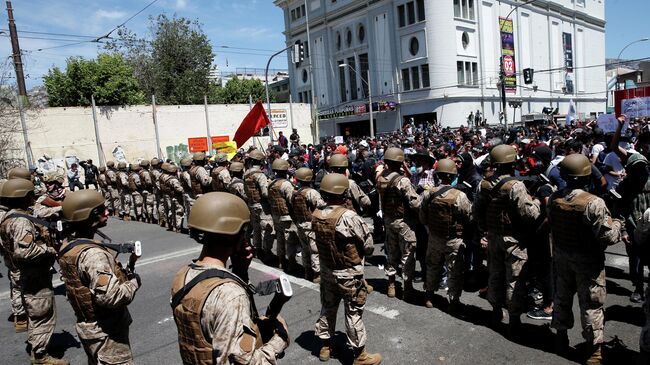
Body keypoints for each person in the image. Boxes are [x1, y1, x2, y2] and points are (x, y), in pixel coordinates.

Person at [170, 192, 289, 364]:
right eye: (243, 231)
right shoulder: (230, 295)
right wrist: (278, 342)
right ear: (234, 234)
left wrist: (240, 270)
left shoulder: (182, 276)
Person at [548, 154, 622, 364]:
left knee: (562, 298)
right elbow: (608, 236)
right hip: (587, 262)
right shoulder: (594, 203)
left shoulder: (555, 198)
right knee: (591, 304)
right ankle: (593, 351)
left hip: (562, 256)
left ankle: (560, 339)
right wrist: (617, 221)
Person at [58, 190, 141, 365]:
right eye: (102, 209)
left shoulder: (68, 246)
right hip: (106, 332)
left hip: (90, 328)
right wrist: (134, 283)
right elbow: (110, 297)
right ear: (91, 216)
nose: (107, 212)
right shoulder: (93, 254)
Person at [313, 173, 381, 365]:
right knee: (353, 313)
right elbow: (368, 245)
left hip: (327, 272)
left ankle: (325, 347)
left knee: (327, 308)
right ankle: (360, 356)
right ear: (344, 193)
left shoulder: (317, 214)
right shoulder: (349, 216)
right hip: (348, 274)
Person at [0, 178, 68, 364]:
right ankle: (40, 356)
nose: (33, 197)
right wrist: (49, 250)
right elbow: (25, 251)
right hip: (33, 275)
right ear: (23, 196)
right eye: (31, 194)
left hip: (28, 273)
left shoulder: (12, 216)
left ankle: (40, 344)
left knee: (36, 313)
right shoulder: (21, 221)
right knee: (41, 314)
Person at [475, 144, 540, 335]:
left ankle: (496, 312)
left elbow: (477, 211)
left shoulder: (484, 184)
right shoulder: (516, 185)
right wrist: (535, 201)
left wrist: (484, 231)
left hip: (494, 236)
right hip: (514, 239)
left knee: (495, 274)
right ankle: (514, 319)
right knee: (515, 279)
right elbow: (529, 214)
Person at [419, 159, 472, 312]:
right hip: (453, 239)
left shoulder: (429, 193)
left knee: (432, 267)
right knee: (454, 270)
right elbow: (469, 216)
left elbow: (422, 216)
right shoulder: (459, 196)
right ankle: (453, 301)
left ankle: (429, 296)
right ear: (452, 175)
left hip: (435, 237)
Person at [376, 147, 421, 300]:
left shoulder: (381, 178)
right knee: (408, 254)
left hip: (388, 221)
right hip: (404, 222)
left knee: (391, 253)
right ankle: (407, 288)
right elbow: (415, 204)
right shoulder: (403, 180)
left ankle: (391, 285)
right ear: (400, 162)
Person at [291, 167, 326, 283]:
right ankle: (317, 274)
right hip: (310, 225)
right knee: (314, 250)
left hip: (300, 224)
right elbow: (321, 205)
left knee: (305, 249)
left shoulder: (296, 193)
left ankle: (307, 271)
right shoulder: (311, 192)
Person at [268, 158, 300, 271]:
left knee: (280, 239)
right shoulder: (286, 184)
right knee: (290, 240)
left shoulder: (271, 183)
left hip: (276, 215)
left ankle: (281, 261)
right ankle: (291, 263)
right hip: (287, 216)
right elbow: (292, 200)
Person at [244, 150, 275, 262]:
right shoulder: (260, 175)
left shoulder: (246, 173)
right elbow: (265, 193)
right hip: (261, 205)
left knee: (256, 228)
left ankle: (257, 249)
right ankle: (267, 252)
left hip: (251, 204)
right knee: (267, 228)